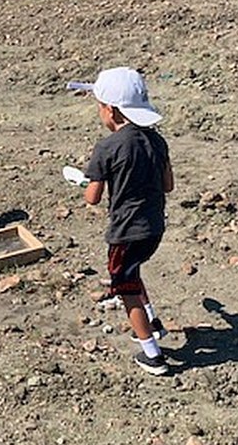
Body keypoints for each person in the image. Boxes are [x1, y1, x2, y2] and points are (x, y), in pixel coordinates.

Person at [73, 67, 174, 376]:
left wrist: (83, 181)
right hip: (153, 228)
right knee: (134, 271)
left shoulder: (107, 148)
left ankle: (152, 355)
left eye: (99, 106)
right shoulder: (157, 141)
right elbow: (168, 184)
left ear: (111, 110)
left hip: (125, 232)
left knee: (125, 287)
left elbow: (92, 198)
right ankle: (152, 323)